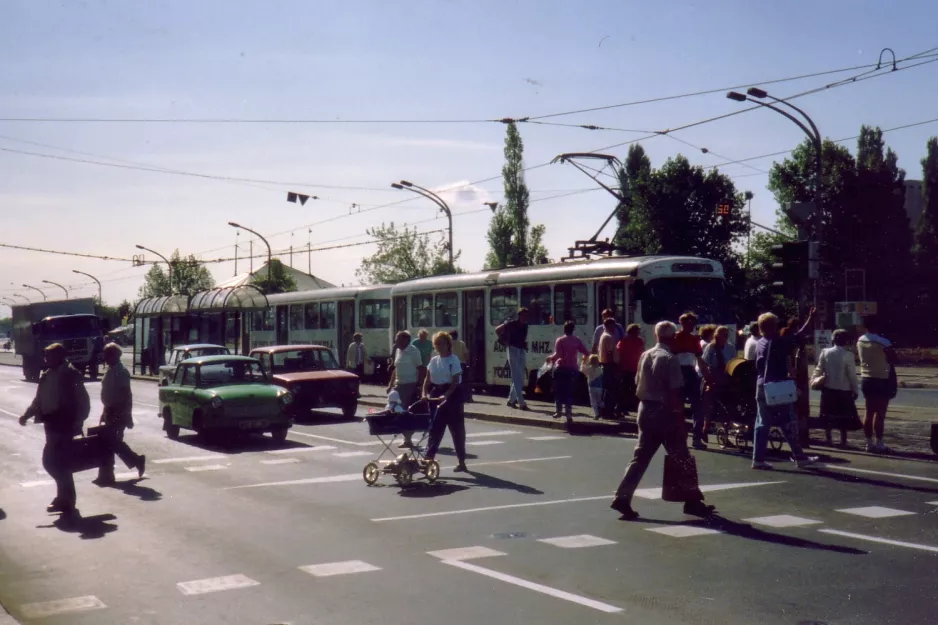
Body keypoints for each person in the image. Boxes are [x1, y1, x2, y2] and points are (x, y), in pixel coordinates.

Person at [610, 321, 716, 521]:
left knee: (640, 458)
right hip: (664, 411)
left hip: (645, 408)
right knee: (682, 456)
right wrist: (680, 421)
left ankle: (622, 497)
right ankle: (692, 501)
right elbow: (674, 393)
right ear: (671, 338)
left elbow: (637, 382)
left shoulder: (646, 354)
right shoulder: (670, 359)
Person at [18, 343, 91, 520]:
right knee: (57, 463)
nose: (46, 359)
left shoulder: (70, 374)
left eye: (49, 356)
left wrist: (78, 421)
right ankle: (65, 498)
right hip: (50, 423)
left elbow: (83, 401)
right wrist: (27, 415)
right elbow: (39, 400)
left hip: (64, 423)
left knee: (53, 461)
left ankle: (66, 499)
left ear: (59, 356)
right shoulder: (47, 375)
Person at [751, 309, 818, 470]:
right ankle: (799, 456)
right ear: (774, 326)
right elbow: (798, 336)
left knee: (762, 423)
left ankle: (758, 459)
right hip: (777, 386)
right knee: (788, 421)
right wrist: (810, 318)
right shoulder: (777, 342)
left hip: (761, 385)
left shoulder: (760, 342)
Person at [95, 343, 146, 486]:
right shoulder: (110, 370)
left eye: (107, 354)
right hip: (110, 410)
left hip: (118, 411)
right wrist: (104, 412)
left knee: (113, 442)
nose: (104, 357)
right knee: (110, 442)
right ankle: (106, 475)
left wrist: (126, 414)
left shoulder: (121, 371)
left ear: (114, 355)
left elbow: (126, 395)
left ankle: (135, 461)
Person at [422, 332, 467, 472]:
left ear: (448, 344)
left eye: (441, 343)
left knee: (456, 429)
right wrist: (424, 393)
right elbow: (427, 380)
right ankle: (428, 459)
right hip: (436, 392)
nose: (438, 346)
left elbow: (455, 382)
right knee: (435, 428)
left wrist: (446, 395)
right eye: (436, 344)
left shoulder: (454, 360)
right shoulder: (434, 360)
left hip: (452, 395)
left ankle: (461, 461)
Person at [814, 329, 860, 447]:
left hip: (828, 388)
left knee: (827, 415)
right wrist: (855, 390)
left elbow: (819, 369)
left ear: (833, 339)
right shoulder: (848, 355)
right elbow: (852, 375)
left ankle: (828, 439)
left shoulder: (825, 352)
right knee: (843, 418)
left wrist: (814, 381)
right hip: (844, 390)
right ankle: (843, 441)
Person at [673, 312, 711, 450]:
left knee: (697, 406)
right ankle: (679, 438)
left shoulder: (695, 339)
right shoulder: (675, 337)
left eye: (692, 323)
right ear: (681, 323)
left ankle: (697, 438)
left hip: (690, 371)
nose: (691, 326)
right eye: (688, 323)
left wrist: (707, 376)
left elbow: (699, 359)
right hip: (678, 372)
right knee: (678, 407)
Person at [857, 316, 895, 453]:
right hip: (881, 379)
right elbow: (892, 358)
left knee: (868, 411)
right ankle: (879, 443)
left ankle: (868, 443)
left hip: (866, 378)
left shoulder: (860, 340)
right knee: (880, 413)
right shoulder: (883, 342)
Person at [547, 320, 590, 426]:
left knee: (558, 391)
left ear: (564, 329)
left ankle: (558, 411)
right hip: (573, 369)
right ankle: (569, 413)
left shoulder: (560, 340)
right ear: (573, 329)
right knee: (569, 392)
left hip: (561, 368)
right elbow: (586, 352)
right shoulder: (577, 340)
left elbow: (558, 354)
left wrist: (550, 358)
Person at [386, 331, 423, 449]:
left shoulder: (413, 351)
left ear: (406, 340)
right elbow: (395, 369)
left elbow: (421, 369)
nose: (396, 342)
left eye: (398, 339)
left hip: (409, 384)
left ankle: (408, 439)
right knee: (395, 410)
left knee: (406, 411)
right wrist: (390, 384)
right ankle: (405, 437)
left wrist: (419, 385)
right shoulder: (398, 351)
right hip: (398, 385)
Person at [781, 317, 811, 446]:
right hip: (796, 378)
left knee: (792, 408)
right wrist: (810, 317)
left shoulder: (785, 338)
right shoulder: (793, 341)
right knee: (799, 409)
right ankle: (800, 437)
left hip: (789, 377)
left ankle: (796, 434)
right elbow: (803, 331)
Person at [701, 326, 736, 428]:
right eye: (723, 334)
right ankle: (706, 426)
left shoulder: (730, 347)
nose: (725, 336)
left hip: (726, 376)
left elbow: (734, 362)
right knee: (709, 404)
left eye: (726, 334)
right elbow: (704, 363)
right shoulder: (711, 347)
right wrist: (707, 378)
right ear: (717, 335)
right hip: (713, 376)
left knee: (726, 404)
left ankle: (724, 426)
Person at [496, 308, 530, 410]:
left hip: (521, 350)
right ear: (519, 315)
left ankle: (511, 400)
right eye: (524, 316)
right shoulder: (512, 323)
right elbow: (497, 329)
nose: (525, 318)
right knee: (516, 376)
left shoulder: (525, 325)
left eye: (526, 316)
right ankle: (521, 402)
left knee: (519, 376)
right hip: (513, 349)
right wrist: (505, 342)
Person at [616, 324, 644, 414]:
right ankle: (624, 407)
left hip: (627, 367)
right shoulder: (639, 341)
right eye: (637, 331)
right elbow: (642, 352)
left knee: (625, 389)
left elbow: (619, 352)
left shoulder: (623, 341)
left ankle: (623, 407)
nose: (638, 333)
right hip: (632, 368)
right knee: (630, 389)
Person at [598, 318, 620, 419]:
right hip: (609, 365)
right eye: (613, 325)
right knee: (611, 389)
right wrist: (614, 365)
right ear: (609, 325)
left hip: (605, 364)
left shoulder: (603, 335)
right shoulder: (609, 337)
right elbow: (610, 352)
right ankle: (609, 412)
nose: (615, 327)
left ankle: (605, 411)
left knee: (607, 389)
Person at [449, 330, 473, 403]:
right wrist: (468, 363)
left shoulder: (449, 344)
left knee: (453, 381)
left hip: (452, 364)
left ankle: (455, 397)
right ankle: (468, 398)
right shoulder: (461, 343)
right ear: (457, 336)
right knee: (464, 382)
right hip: (462, 364)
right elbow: (466, 353)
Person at [581, 354, 604, 420]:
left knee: (593, 401)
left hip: (591, 387)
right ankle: (602, 411)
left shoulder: (589, 369)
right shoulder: (600, 369)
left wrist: (583, 361)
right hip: (600, 387)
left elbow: (582, 370)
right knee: (599, 400)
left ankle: (596, 414)